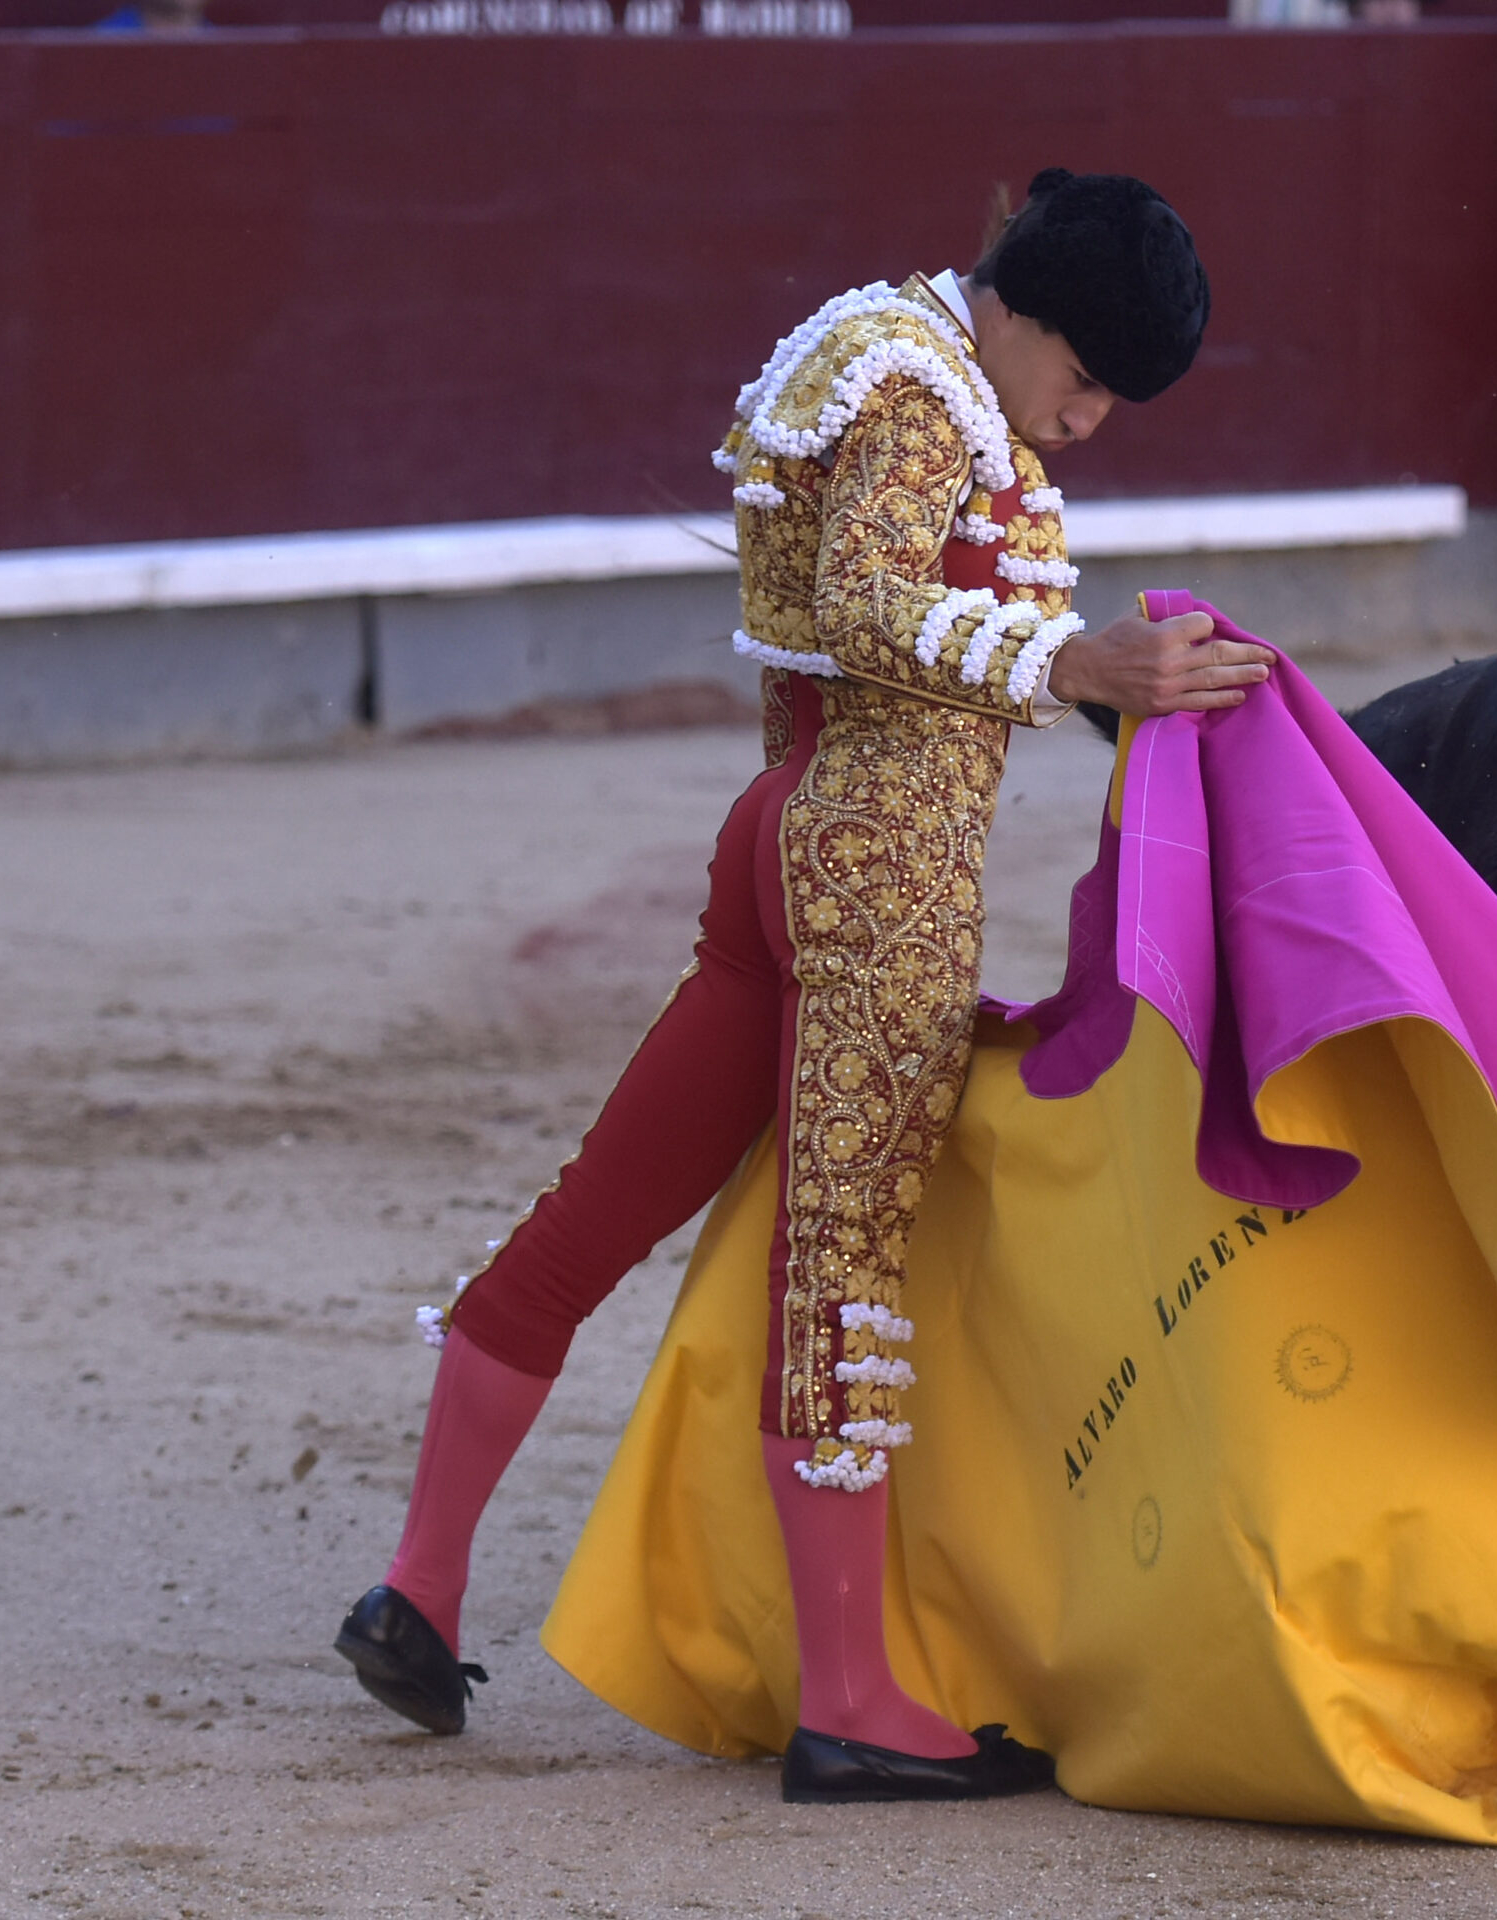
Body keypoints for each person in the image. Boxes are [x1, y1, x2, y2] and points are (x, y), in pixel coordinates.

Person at [333, 168, 1274, 1804]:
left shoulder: (882, 349)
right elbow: (862, 602)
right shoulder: (926, 400)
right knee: (844, 1269)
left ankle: (416, 1586)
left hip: (780, 842)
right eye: (1093, 377)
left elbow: (887, 613)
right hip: (876, 877)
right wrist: (1071, 663)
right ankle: (847, 1697)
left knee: (595, 1217)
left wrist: (1125, 685)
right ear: (1029, 316)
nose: (1094, 417)